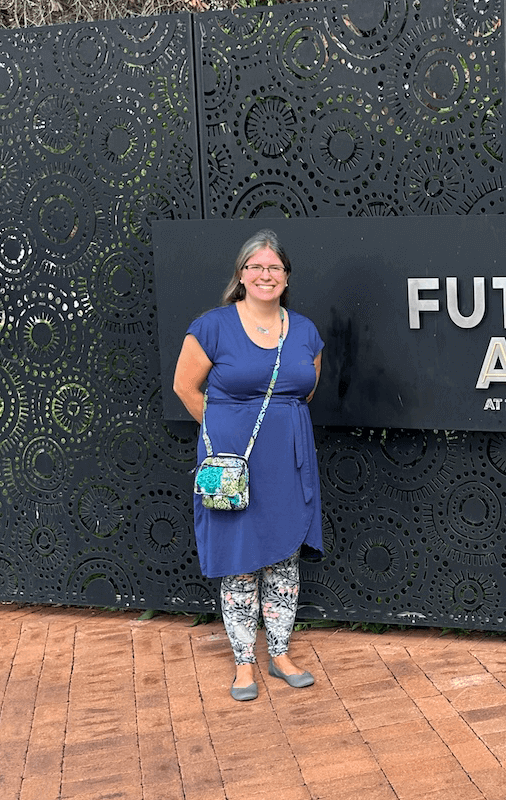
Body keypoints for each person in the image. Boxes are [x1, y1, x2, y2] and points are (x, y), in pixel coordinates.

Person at [173, 229, 324, 702]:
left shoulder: (305, 331)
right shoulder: (212, 327)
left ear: (286, 277)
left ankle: (279, 654)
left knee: (283, 558)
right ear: (241, 274)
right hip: (232, 462)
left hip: (289, 461)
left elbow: (304, 392)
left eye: (274, 267)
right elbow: (185, 388)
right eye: (255, 266)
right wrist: (221, 433)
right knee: (239, 561)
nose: (265, 274)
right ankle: (243, 663)